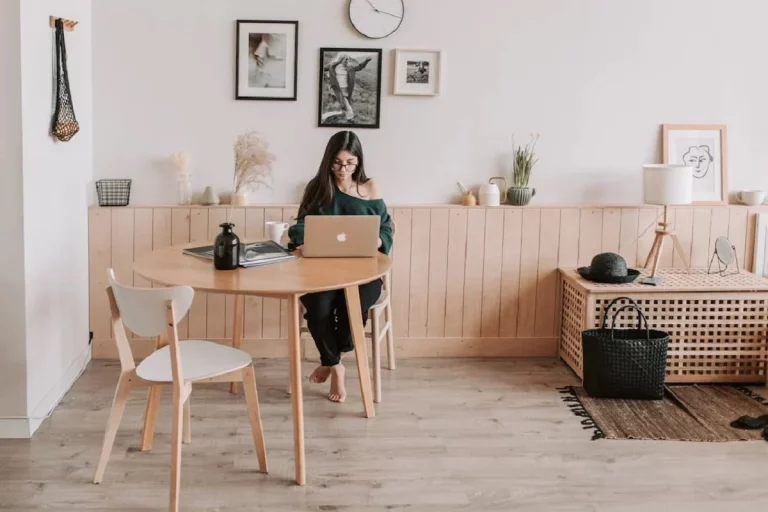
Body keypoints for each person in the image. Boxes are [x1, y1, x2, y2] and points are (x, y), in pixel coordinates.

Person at [288, 131, 392, 403]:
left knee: (352, 308)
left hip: (364, 271)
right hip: (320, 270)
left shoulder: (370, 187)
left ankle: (330, 358)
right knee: (318, 309)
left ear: (359, 162)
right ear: (327, 161)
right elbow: (299, 225)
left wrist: (378, 238)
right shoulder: (317, 187)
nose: (343, 169)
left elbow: (386, 227)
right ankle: (336, 365)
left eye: (350, 163)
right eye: (336, 163)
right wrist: (304, 239)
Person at [324, 53, 373, 120]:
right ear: (341, 59)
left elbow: (359, 67)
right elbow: (322, 68)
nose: (347, 60)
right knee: (346, 104)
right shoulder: (332, 66)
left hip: (347, 89)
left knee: (345, 103)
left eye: (348, 59)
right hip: (338, 89)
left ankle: (342, 116)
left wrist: (366, 61)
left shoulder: (350, 67)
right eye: (346, 59)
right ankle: (350, 118)